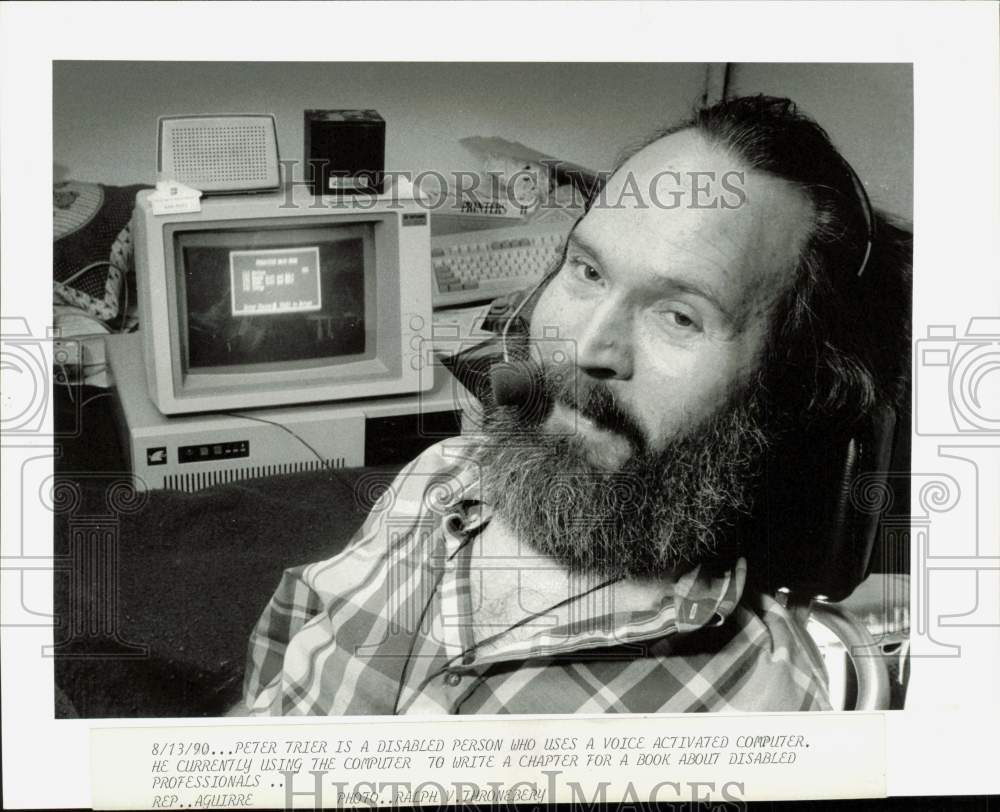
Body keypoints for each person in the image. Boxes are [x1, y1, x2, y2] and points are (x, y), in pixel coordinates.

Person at [240, 96, 911, 715]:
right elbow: (281, 667)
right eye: (588, 271)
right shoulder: (441, 475)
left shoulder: (761, 716)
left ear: (787, 387)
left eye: (679, 315)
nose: (589, 346)